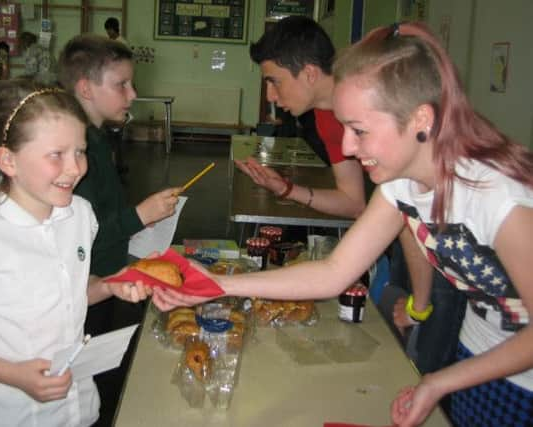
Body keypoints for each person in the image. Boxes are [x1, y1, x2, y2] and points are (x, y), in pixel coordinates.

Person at [153, 22, 533, 427]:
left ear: (421, 118)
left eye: (359, 130)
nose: (348, 147)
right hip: (478, 349)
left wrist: (439, 382)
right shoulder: (400, 182)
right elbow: (333, 273)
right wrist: (216, 284)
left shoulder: (500, 199)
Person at [0, 79, 152, 427]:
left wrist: (109, 286)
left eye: (80, 151)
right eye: (56, 155)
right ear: (8, 160)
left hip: (78, 408)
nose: (75, 168)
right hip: (11, 415)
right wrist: (14, 374)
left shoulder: (79, 215)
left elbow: (68, 293)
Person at [57, 34, 181, 426]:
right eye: (121, 84)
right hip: (87, 279)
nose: (133, 92)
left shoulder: (96, 138)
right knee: (83, 374)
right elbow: (86, 232)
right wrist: (140, 216)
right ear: (85, 88)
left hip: (105, 275)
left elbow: (102, 211)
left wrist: (140, 216)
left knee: (98, 372)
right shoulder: (81, 149)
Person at [238, 16, 365, 219]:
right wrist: (285, 189)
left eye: (275, 82)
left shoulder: (373, 101)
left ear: (309, 73)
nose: (270, 96)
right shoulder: (324, 115)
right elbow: (353, 203)